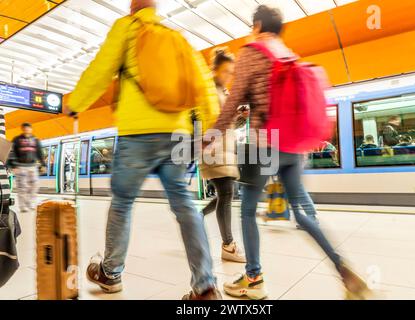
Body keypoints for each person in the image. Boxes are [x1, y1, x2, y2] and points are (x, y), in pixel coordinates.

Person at [211, 5, 370, 300]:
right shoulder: (287, 52)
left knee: (247, 210)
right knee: (301, 212)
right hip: (294, 145)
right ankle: (343, 269)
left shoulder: (251, 51)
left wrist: (211, 135)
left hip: (265, 143)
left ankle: (254, 278)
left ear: (257, 24)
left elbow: (232, 103)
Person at [65, 0, 221, 300]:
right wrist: (208, 125)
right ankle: (205, 286)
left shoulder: (127, 28)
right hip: (177, 134)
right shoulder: (178, 38)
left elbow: (101, 68)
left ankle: (110, 274)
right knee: (185, 206)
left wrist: (76, 103)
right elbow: (202, 84)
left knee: (123, 203)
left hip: (137, 134)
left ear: (133, 7)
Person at [200, 48, 246, 263]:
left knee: (225, 194)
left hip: (225, 149)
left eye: (231, 72)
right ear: (215, 69)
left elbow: (228, 124)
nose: (229, 75)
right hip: (213, 150)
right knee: (226, 193)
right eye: (226, 71)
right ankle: (228, 245)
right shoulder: (207, 90)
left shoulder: (224, 91)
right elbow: (210, 121)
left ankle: (197, 216)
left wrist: (240, 117)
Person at [8, 123, 46, 213]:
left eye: (28, 128)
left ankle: (31, 203)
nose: (27, 130)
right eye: (25, 128)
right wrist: (12, 166)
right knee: (22, 187)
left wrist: (43, 164)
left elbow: (40, 153)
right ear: (23, 129)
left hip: (32, 166)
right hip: (20, 166)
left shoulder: (36, 140)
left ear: (31, 129)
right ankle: (23, 206)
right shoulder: (17, 140)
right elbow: (11, 152)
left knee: (35, 185)